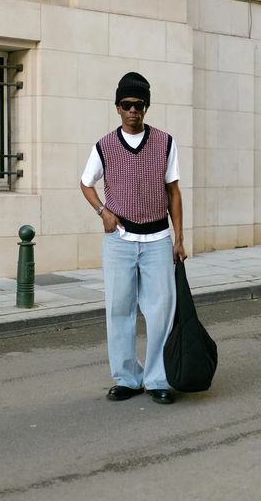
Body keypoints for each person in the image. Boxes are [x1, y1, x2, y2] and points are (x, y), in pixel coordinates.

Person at [80, 72, 186, 405]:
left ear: (146, 107)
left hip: (157, 239)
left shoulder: (166, 142)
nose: (133, 111)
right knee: (119, 309)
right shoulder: (104, 146)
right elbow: (86, 183)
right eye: (126, 105)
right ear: (117, 107)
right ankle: (127, 378)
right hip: (120, 240)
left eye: (139, 105)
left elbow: (174, 192)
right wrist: (103, 212)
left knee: (161, 312)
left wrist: (179, 239)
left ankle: (158, 379)